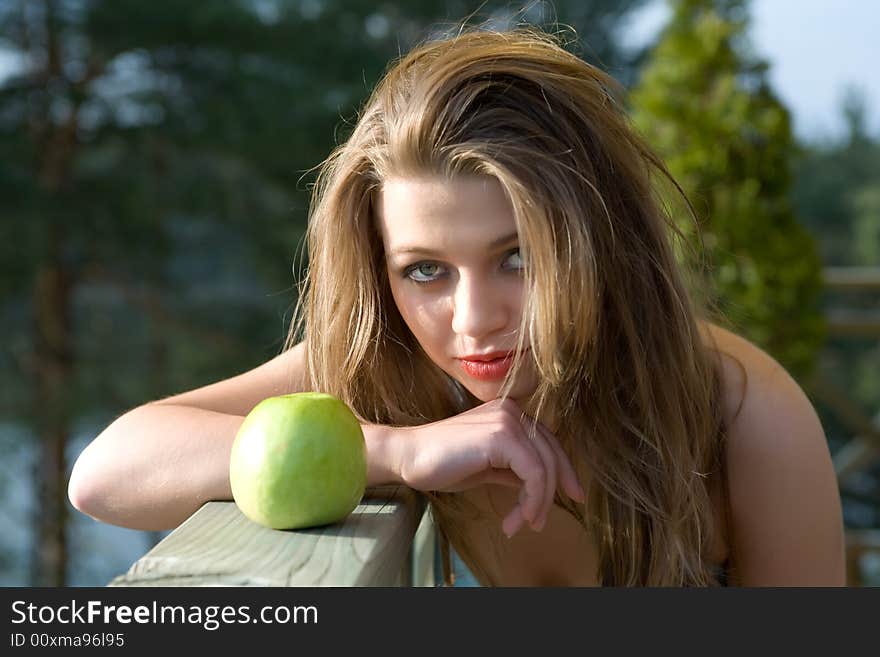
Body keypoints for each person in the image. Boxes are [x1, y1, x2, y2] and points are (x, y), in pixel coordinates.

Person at [68, 26, 846, 587]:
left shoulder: (741, 415)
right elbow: (106, 474)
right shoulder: (392, 372)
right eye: (426, 271)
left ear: (604, 244)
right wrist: (395, 450)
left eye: (518, 258)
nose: (473, 321)